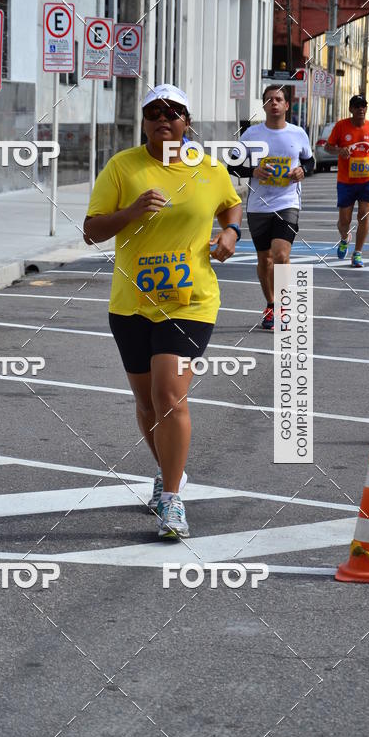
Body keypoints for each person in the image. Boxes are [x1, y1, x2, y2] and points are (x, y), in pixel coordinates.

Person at [83, 84, 242, 539]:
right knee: (146, 402)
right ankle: (167, 474)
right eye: (153, 113)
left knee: (170, 395)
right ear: (145, 122)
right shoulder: (123, 167)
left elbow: (230, 206)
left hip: (190, 303)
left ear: (187, 122)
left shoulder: (208, 169)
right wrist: (132, 211)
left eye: (172, 113)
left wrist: (230, 235)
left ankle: (172, 499)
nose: (162, 120)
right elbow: (92, 231)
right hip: (130, 305)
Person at [228, 85, 314, 330]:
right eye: (269, 100)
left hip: (287, 203)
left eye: (278, 99)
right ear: (264, 105)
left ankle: (283, 307)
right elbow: (230, 166)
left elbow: (309, 160)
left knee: (281, 255)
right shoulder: (251, 135)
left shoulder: (298, 134)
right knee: (264, 259)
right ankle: (270, 303)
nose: (274, 103)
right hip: (258, 205)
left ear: (287, 105)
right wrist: (252, 171)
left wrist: (302, 170)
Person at [325, 94, 369, 268]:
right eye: (357, 106)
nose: (361, 109)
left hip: (366, 180)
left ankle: (358, 253)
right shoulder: (341, 126)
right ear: (351, 109)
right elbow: (327, 147)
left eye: (363, 106)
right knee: (344, 221)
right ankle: (345, 238)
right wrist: (339, 150)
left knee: (364, 215)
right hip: (346, 181)